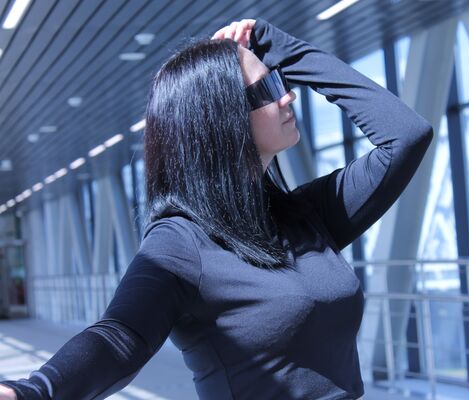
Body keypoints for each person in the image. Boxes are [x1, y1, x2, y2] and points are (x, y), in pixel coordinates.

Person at [0, 17, 433, 400]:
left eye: (281, 80)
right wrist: (35, 391)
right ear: (219, 118)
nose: (288, 97)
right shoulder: (180, 241)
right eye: (267, 89)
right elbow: (119, 336)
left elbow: (406, 135)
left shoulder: (304, 216)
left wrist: (281, 48)